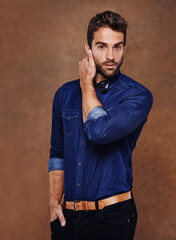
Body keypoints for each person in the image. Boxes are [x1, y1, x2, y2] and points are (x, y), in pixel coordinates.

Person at [48, 10, 153, 240]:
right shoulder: (64, 95)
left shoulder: (137, 96)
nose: (111, 56)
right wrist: (54, 202)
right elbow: (57, 153)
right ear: (88, 48)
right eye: (102, 46)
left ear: (124, 47)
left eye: (118, 46)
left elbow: (98, 130)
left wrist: (86, 81)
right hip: (68, 218)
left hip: (112, 219)